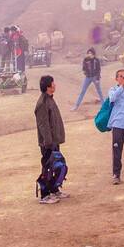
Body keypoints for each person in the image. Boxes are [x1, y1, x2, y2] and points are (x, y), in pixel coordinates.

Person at [35, 75, 67, 204]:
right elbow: (43, 125)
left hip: (54, 141)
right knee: (47, 168)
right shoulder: (42, 103)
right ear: (48, 86)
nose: (55, 85)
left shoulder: (50, 99)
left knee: (56, 166)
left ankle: (54, 190)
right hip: (48, 143)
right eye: (53, 83)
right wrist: (48, 142)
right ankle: (44, 195)